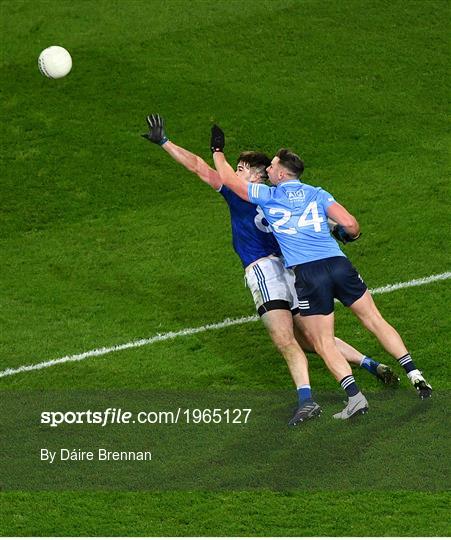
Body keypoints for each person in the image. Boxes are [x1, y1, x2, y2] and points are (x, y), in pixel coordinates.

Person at [142, 114, 398, 425]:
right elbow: (331, 224)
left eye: (240, 169)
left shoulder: (239, 194)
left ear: (257, 174)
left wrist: (166, 142)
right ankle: (371, 365)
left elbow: (197, 166)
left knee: (284, 338)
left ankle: (307, 400)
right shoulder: (282, 197)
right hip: (297, 272)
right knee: (312, 339)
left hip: (265, 272)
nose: (234, 173)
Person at [210, 125, 432, 419]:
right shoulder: (316, 193)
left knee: (322, 342)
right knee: (375, 319)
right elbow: (351, 225)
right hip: (339, 264)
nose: (269, 170)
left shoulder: (268, 197)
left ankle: (355, 398)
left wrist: (217, 152)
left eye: (273, 166)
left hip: (308, 275)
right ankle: (414, 373)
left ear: (282, 174)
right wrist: (343, 235)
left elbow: (227, 179)